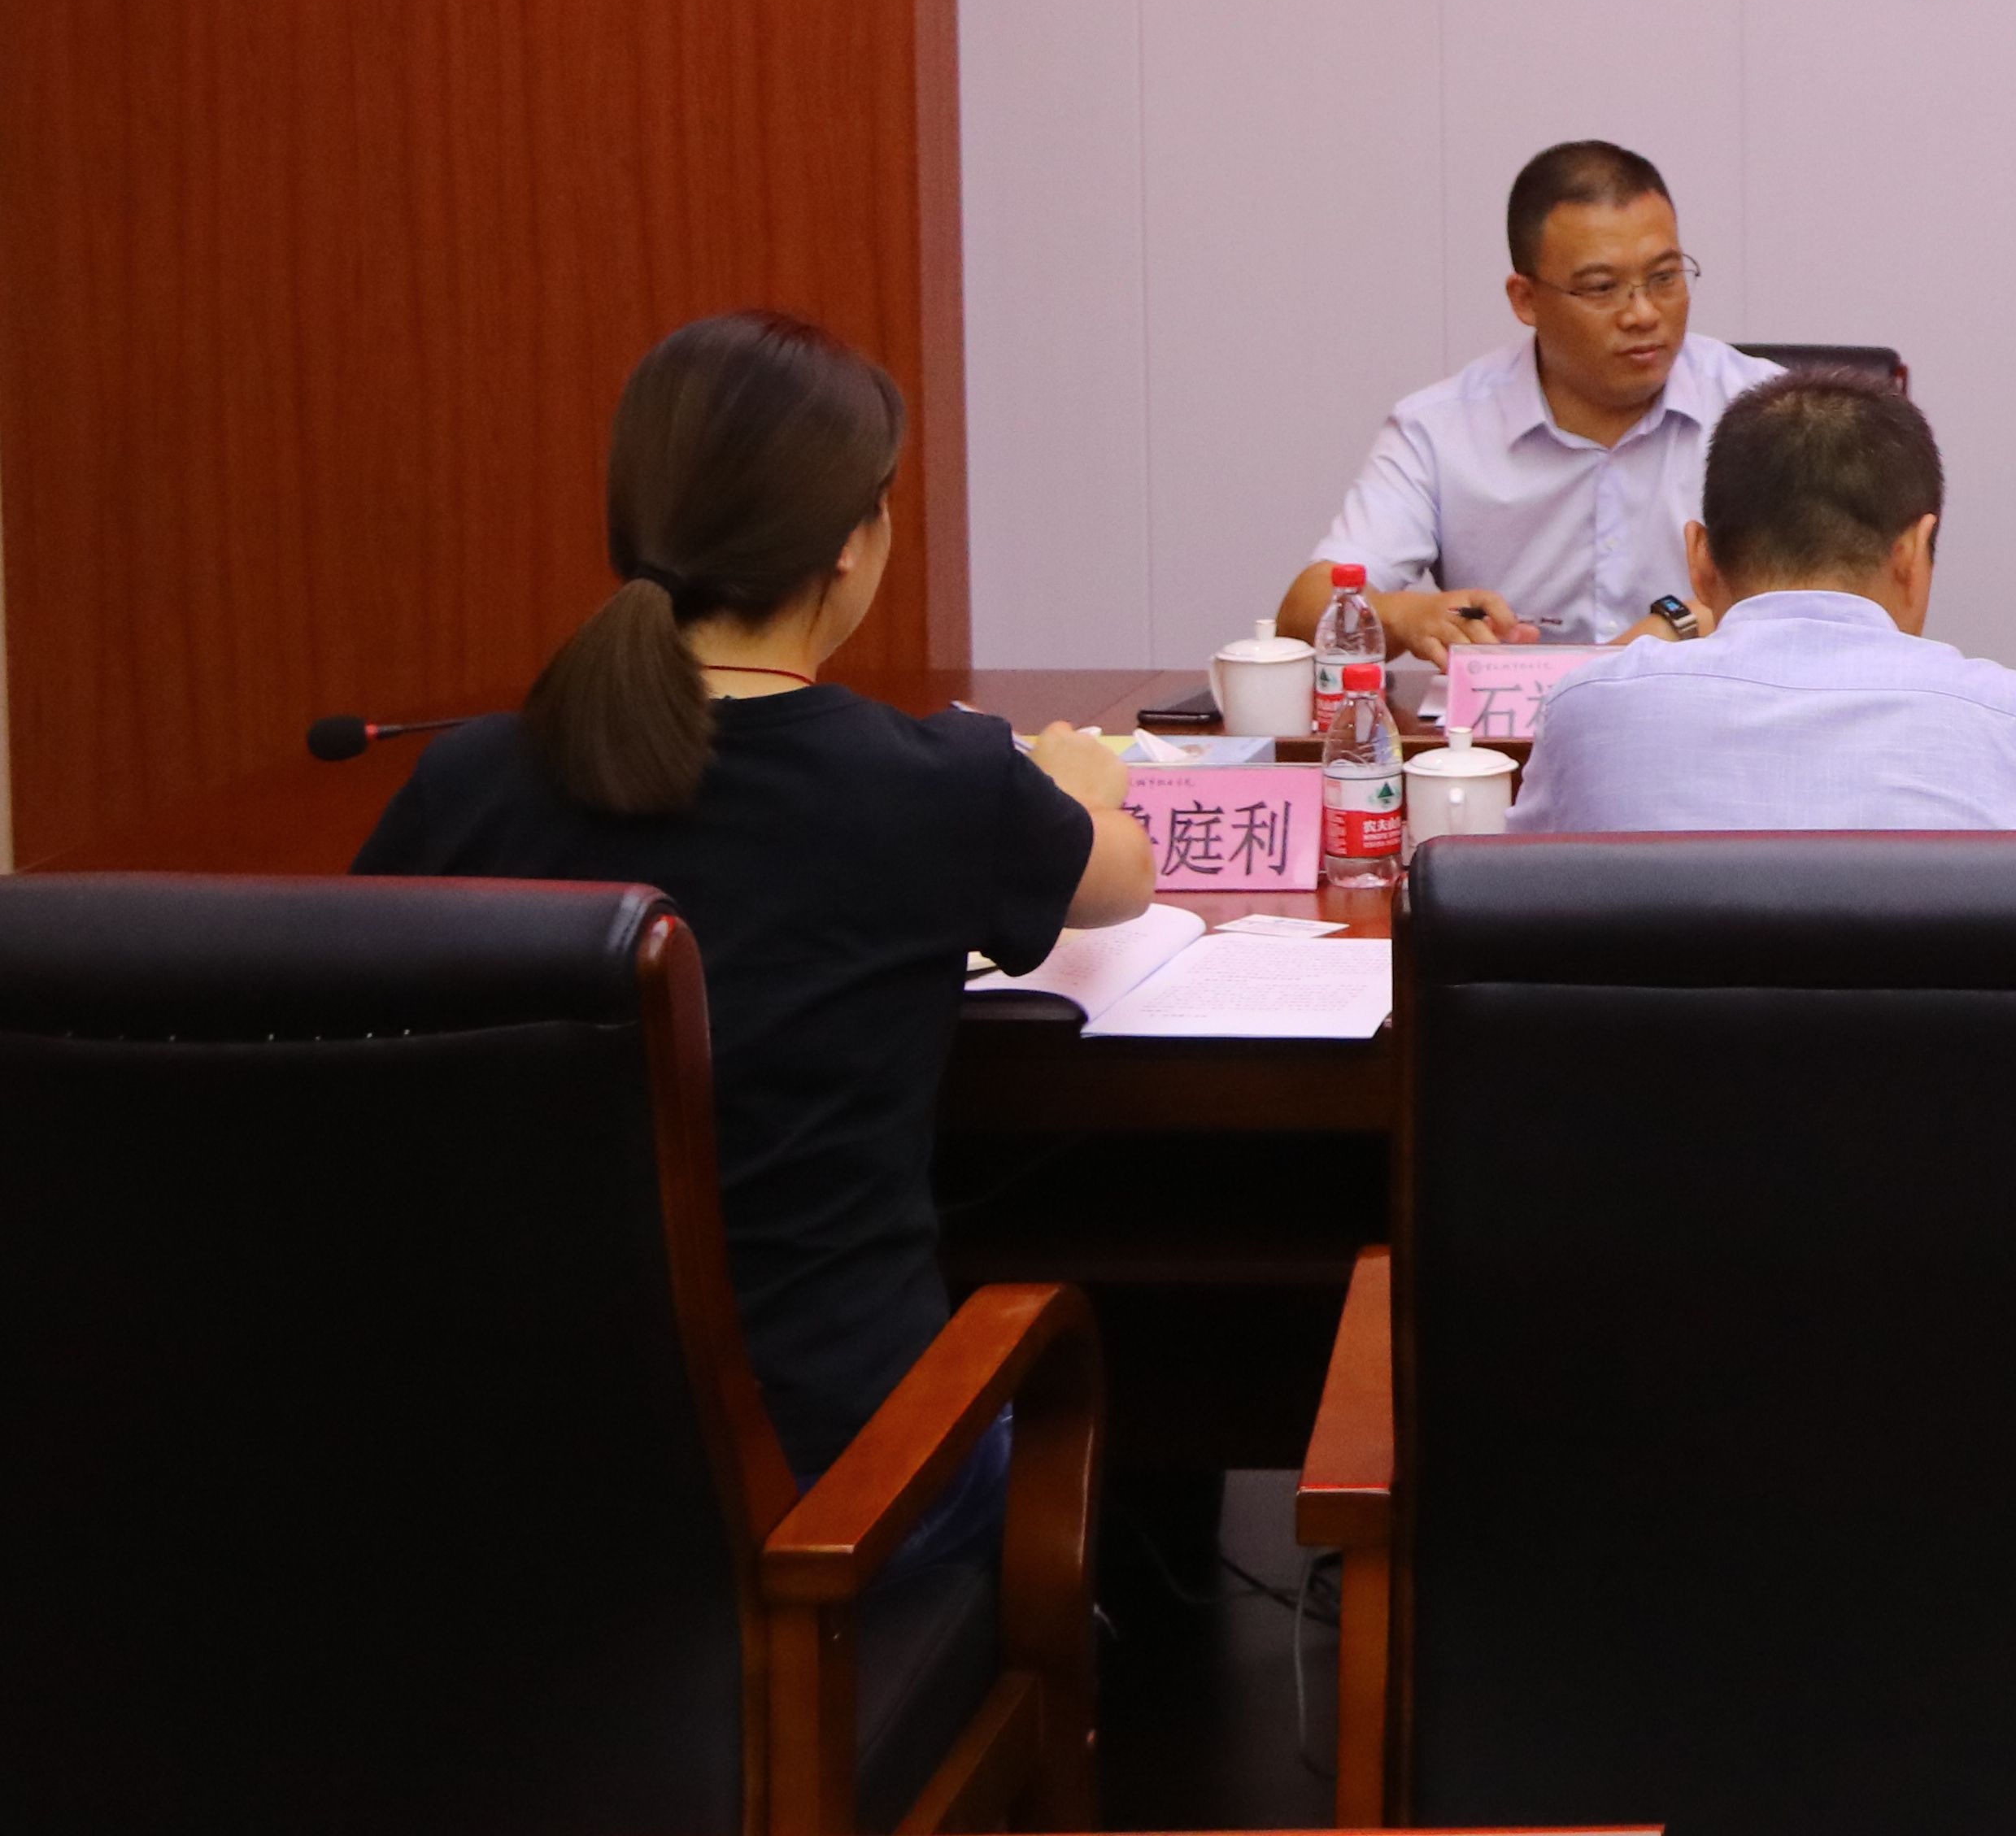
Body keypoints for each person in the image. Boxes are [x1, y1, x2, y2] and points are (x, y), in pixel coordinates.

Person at [358, 311, 1154, 1542]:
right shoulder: (936, 786)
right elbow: (1123, 880)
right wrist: (1078, 787)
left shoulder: (464, 784)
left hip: (501, 1496)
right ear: (850, 541)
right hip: (841, 1503)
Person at [1515, 368, 2016, 1033]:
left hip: (1653, 1196)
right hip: (1973, 1199)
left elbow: (1496, 950)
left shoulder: (1588, 718)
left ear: (1698, 560)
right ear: (1915, 552)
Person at [1283, 139, 1783, 656]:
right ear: (1526, 300)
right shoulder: (1439, 430)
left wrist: (1681, 625)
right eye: (1602, 287)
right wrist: (1404, 615)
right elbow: (1303, 613)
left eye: (1664, 278)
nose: (1643, 314)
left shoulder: (1770, 412)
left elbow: (1833, 598)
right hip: (1515, 712)